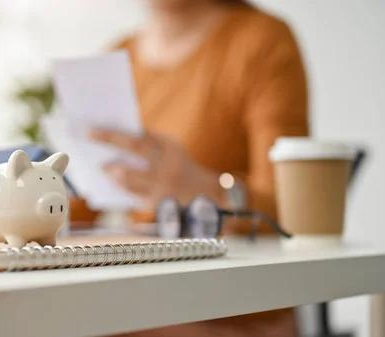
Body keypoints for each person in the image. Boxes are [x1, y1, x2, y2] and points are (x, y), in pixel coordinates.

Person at [70, 0, 309, 336]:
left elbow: (291, 214)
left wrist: (201, 188)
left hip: (233, 313)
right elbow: (77, 210)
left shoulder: (261, 40)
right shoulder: (116, 56)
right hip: (140, 296)